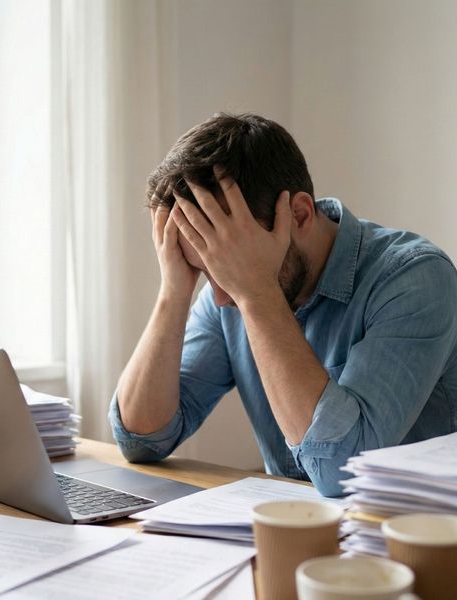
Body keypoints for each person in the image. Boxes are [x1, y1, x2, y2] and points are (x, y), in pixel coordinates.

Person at [108, 113, 457, 496]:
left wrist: (257, 293)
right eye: (206, 272)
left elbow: (340, 471)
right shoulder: (230, 291)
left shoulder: (415, 278)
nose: (221, 298)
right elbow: (142, 440)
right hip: (291, 529)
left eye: (228, 268)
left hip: (412, 541)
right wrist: (174, 290)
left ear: (300, 215)